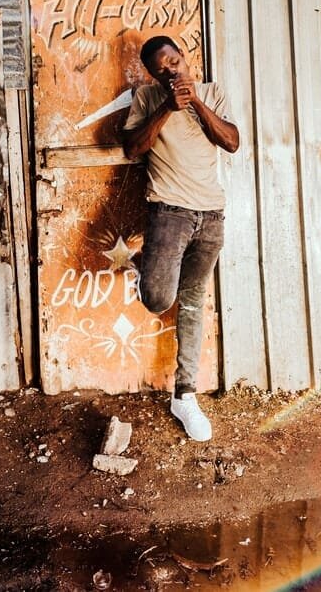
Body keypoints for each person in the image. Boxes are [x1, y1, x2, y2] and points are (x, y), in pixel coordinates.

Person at [122, 35, 239, 441]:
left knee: (192, 304)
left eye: (175, 60)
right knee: (158, 298)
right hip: (169, 213)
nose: (172, 70)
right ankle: (146, 263)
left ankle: (184, 396)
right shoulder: (147, 99)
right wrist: (168, 109)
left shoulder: (211, 93)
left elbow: (231, 142)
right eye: (162, 68)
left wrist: (196, 105)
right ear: (154, 75)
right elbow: (132, 149)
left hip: (211, 215)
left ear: (185, 57)